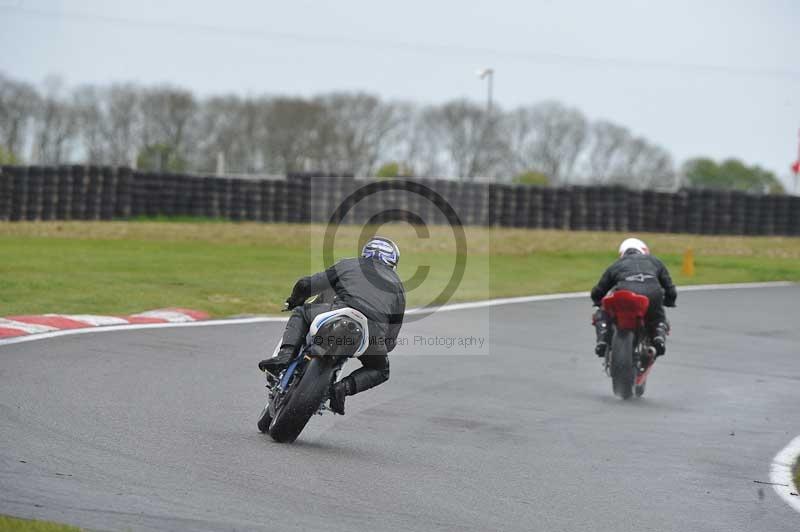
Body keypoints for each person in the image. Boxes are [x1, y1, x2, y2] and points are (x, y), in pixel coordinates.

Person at [259, 237, 406, 415]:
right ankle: (342, 388)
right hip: (370, 331)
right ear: (393, 262)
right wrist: (380, 347)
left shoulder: (349, 264)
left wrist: (294, 301)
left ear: (366, 253)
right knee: (380, 370)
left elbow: (306, 284)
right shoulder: (398, 288)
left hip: (341, 312)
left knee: (301, 312)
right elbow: (391, 337)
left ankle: (285, 356)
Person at [590, 237, 677, 357]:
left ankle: (603, 339)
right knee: (658, 316)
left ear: (622, 253)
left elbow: (599, 289)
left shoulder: (616, 264)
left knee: (602, 313)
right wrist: (669, 301)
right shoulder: (655, 261)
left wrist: (597, 301)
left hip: (624, 294)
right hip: (652, 294)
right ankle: (658, 336)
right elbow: (670, 288)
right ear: (644, 250)